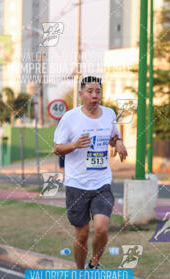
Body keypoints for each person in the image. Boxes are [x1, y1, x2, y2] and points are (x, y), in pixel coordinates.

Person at [53, 76, 128, 269]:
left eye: (98, 91)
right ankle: (80, 271)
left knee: (102, 228)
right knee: (82, 233)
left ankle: (94, 264)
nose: (95, 95)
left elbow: (112, 136)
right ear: (81, 94)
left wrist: (118, 141)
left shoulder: (109, 114)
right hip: (77, 183)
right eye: (90, 91)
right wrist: (74, 145)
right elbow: (57, 148)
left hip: (102, 182)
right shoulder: (70, 118)